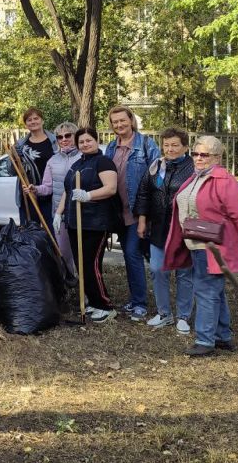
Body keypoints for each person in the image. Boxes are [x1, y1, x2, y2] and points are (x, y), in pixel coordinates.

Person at [163, 135, 238, 357]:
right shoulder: (196, 177)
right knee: (214, 290)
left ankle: (205, 340)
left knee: (205, 290)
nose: (198, 158)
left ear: (217, 157)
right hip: (196, 243)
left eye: (204, 154)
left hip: (214, 246)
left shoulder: (223, 180)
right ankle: (223, 336)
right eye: (195, 154)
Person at [55, 127, 119, 323]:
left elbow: (111, 188)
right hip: (75, 222)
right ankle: (92, 301)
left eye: (88, 140)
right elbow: (68, 190)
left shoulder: (103, 162)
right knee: (81, 265)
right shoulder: (77, 164)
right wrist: (59, 213)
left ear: (95, 141)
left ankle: (105, 305)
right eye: (81, 142)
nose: (85, 144)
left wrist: (89, 195)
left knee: (91, 265)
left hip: (95, 222)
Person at [134, 128, 195, 333]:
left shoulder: (194, 167)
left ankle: (183, 316)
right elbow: (143, 193)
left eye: (175, 145)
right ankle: (163, 313)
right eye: (166, 145)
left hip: (183, 229)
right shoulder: (156, 166)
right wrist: (142, 221)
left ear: (185, 147)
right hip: (159, 228)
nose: (170, 149)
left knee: (184, 272)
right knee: (157, 269)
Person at [104, 105, 160, 321]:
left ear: (131, 120)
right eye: (115, 122)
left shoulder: (146, 144)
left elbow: (157, 178)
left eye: (122, 120)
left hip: (140, 212)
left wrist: (150, 212)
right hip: (119, 212)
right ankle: (136, 298)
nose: (119, 125)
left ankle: (140, 303)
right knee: (131, 256)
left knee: (133, 254)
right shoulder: (111, 147)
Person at [29, 121, 81, 277]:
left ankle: (86, 291)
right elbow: (48, 187)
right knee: (64, 253)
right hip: (60, 214)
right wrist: (35, 189)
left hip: (82, 213)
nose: (63, 139)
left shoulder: (83, 156)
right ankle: (70, 281)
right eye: (59, 137)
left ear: (75, 136)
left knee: (82, 254)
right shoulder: (52, 160)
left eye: (67, 135)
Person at [11, 108, 57, 228]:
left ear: (42, 120)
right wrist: (13, 157)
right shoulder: (21, 144)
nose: (33, 121)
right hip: (28, 195)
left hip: (51, 195)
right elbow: (12, 170)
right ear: (26, 124)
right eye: (29, 120)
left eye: (36, 118)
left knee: (53, 233)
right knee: (30, 234)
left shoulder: (55, 141)